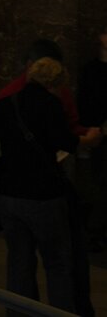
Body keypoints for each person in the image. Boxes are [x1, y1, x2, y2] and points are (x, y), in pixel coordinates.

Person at [0, 58, 99, 316]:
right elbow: (65, 141)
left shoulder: (6, 104)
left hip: (8, 196)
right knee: (57, 263)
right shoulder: (50, 104)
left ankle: (17, 313)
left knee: (19, 263)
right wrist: (89, 139)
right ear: (56, 83)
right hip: (43, 196)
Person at [77, 25, 107, 252]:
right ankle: (94, 231)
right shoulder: (90, 70)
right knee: (97, 183)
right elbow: (85, 103)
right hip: (95, 134)